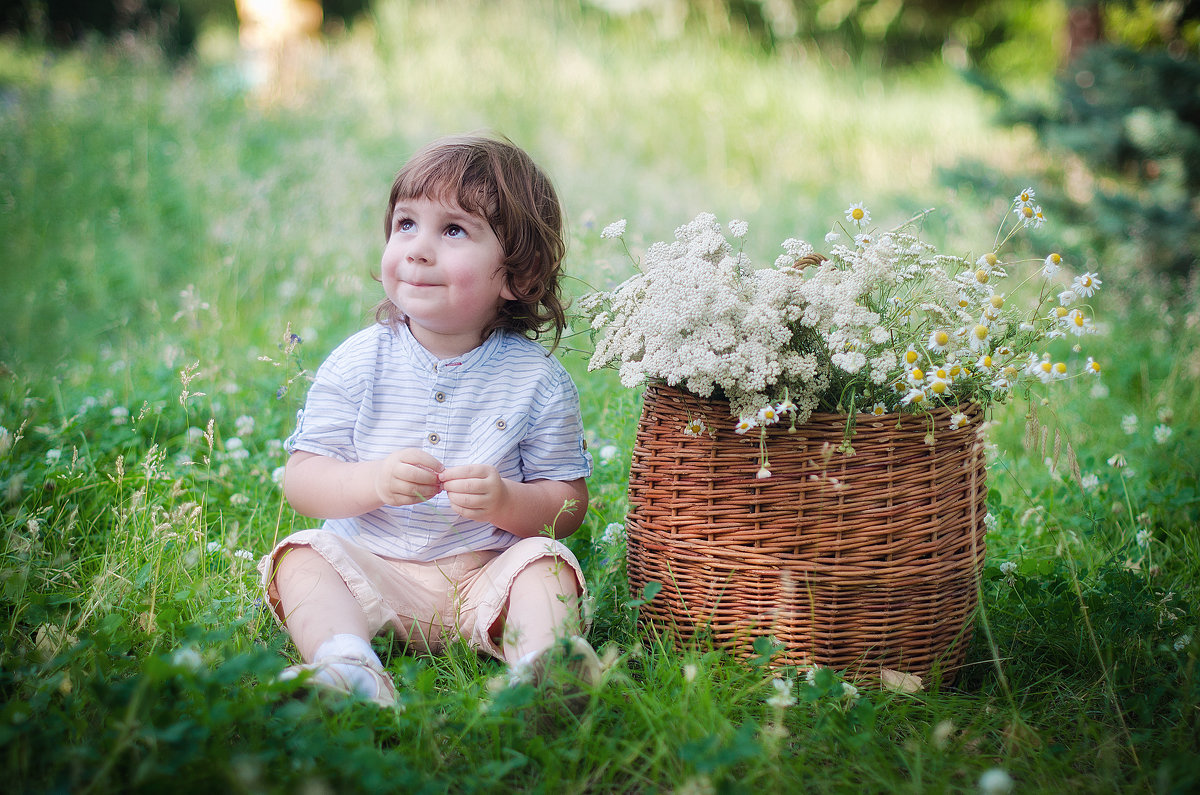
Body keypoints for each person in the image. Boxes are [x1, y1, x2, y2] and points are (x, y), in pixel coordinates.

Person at [258, 133, 598, 708]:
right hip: (372, 569)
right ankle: (347, 666)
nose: (417, 248)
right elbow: (302, 479)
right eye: (405, 224)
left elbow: (567, 504)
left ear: (517, 272)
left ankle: (542, 670)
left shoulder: (536, 381)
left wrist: (505, 501)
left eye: (454, 230)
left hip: (483, 577)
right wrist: (370, 482)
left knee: (545, 565)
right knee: (304, 557)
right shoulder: (360, 360)